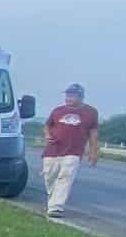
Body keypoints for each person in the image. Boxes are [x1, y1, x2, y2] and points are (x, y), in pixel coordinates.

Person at [41, 83, 99, 219]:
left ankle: (56, 207)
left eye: (72, 95)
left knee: (65, 177)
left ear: (81, 97)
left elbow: (93, 132)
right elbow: (47, 125)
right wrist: (47, 135)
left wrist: (93, 150)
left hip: (74, 151)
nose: (68, 98)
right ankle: (53, 199)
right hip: (52, 150)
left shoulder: (91, 112)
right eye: (67, 95)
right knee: (49, 177)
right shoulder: (57, 111)